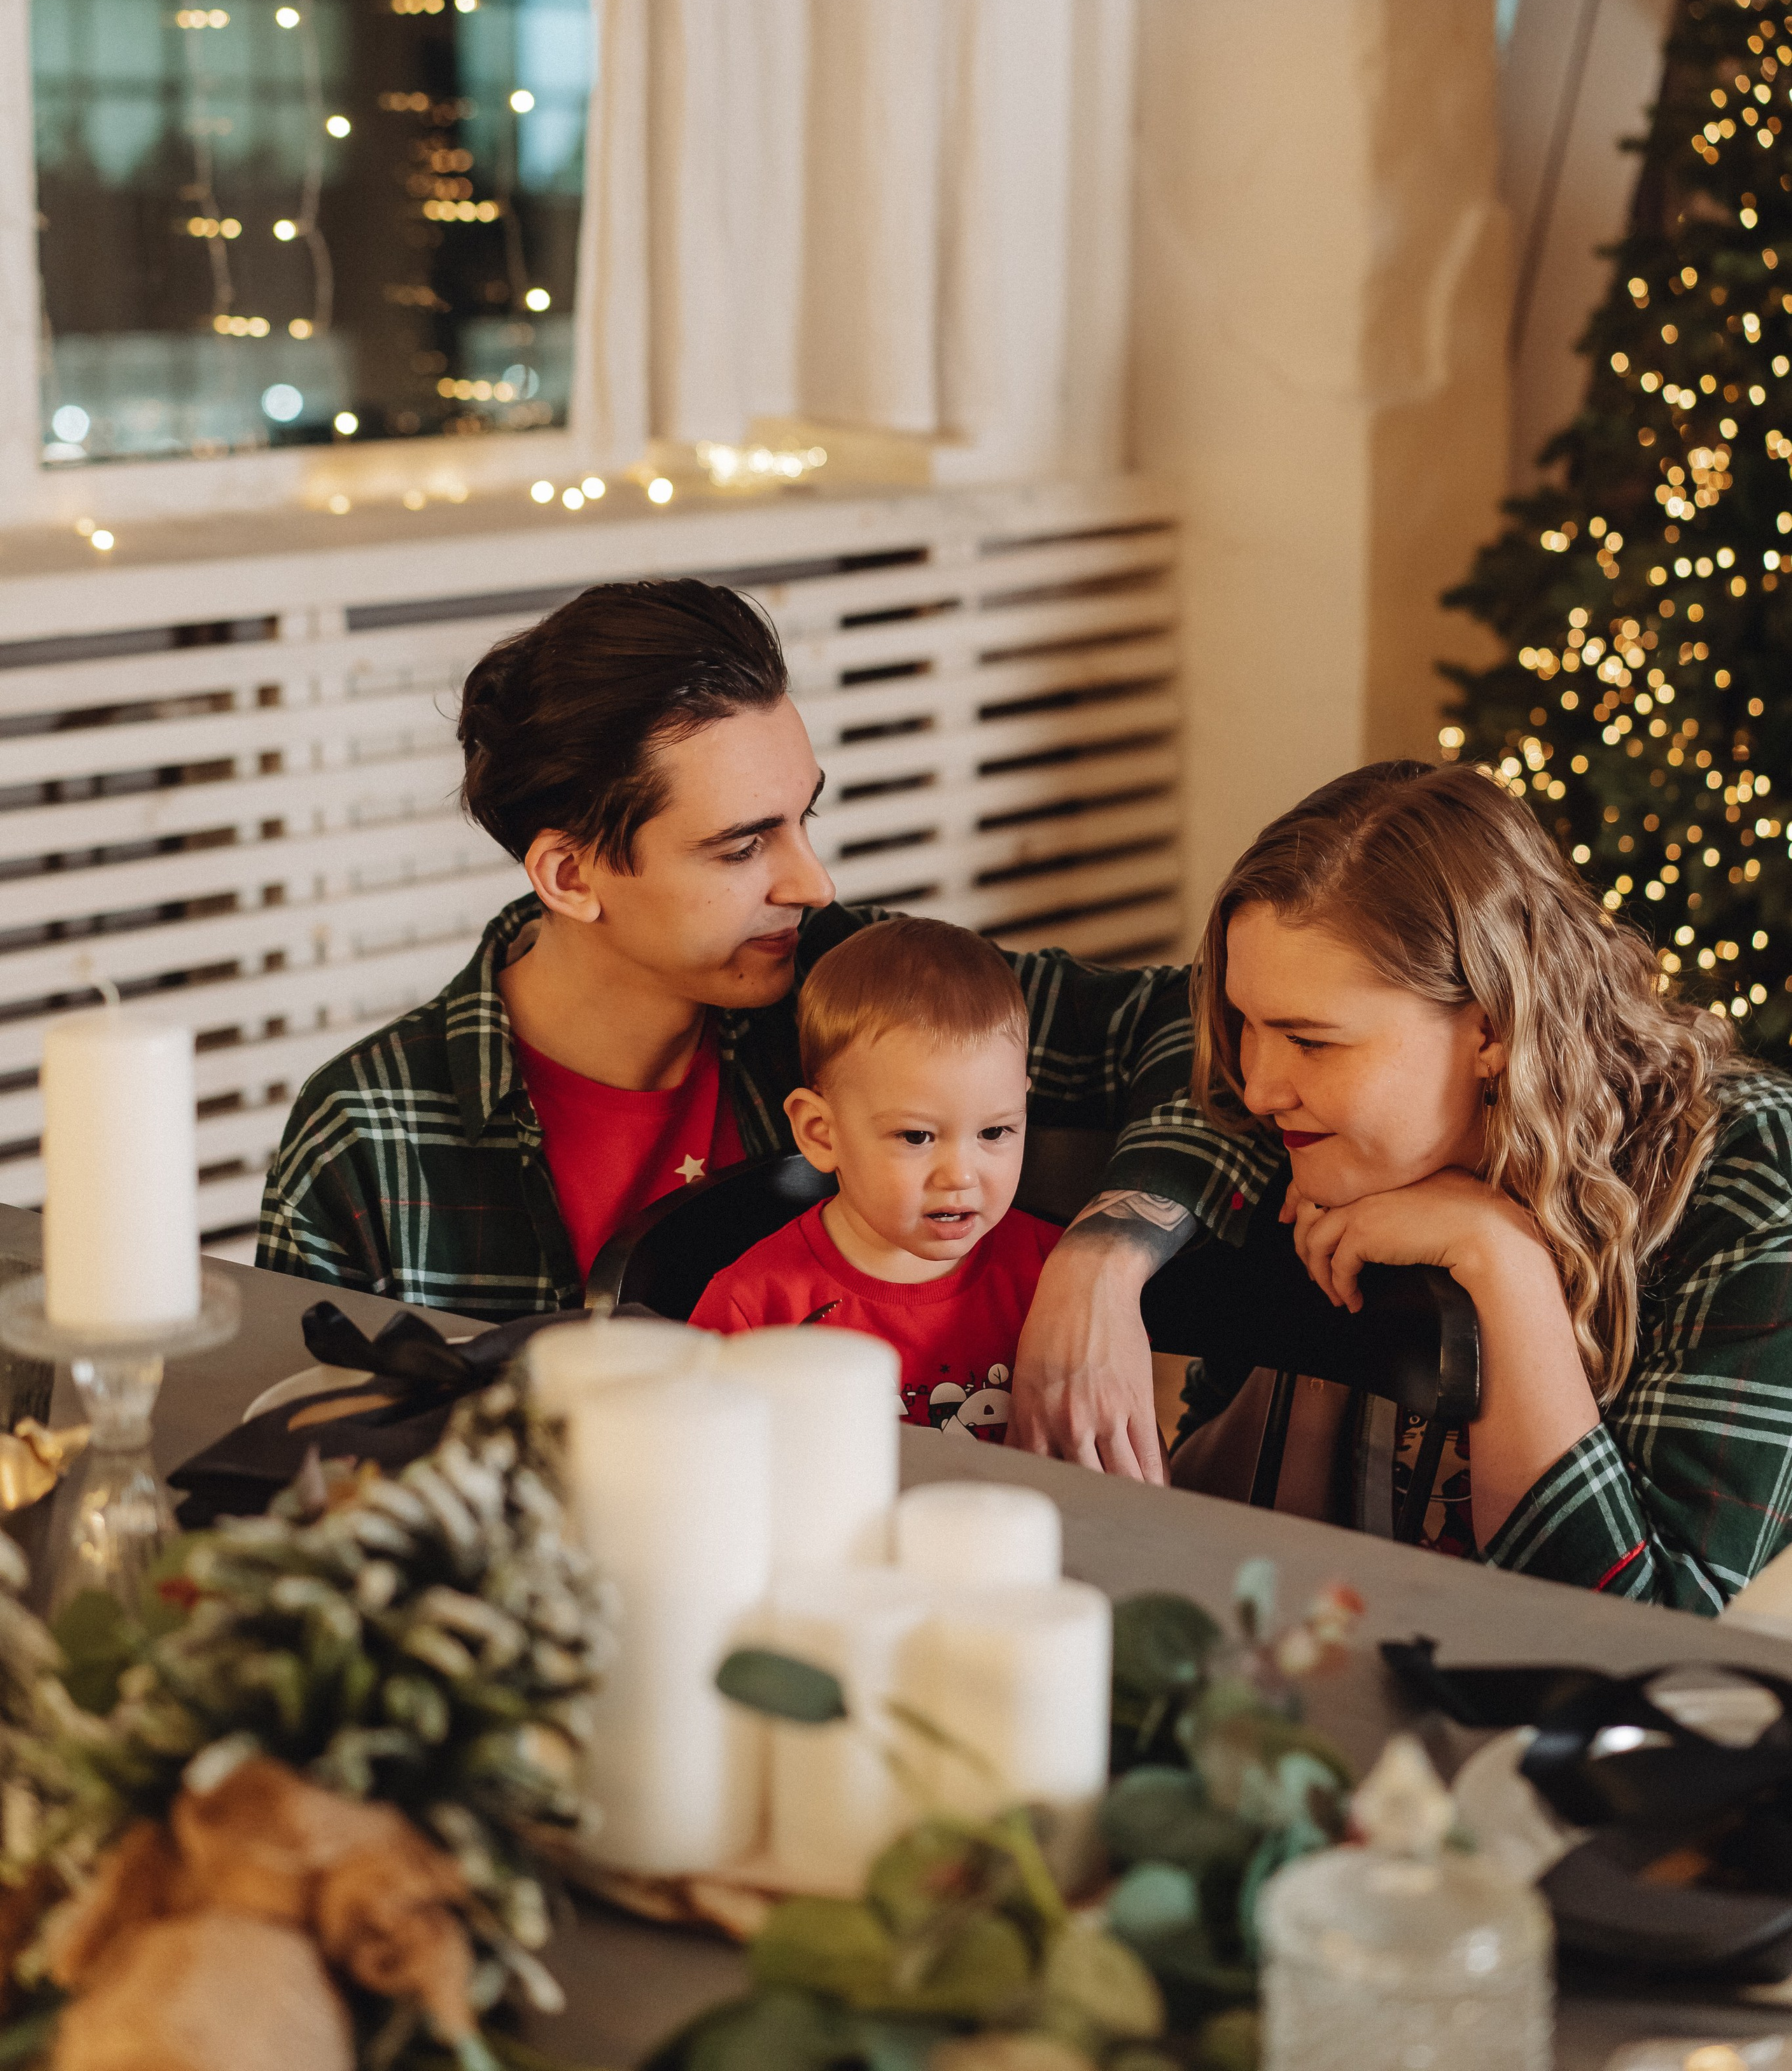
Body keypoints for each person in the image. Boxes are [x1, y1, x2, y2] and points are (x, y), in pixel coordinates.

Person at [255, 577, 1212, 1485]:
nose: (813, 883)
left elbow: (1198, 1021)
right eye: (744, 845)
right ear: (572, 876)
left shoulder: (855, 994)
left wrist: (1105, 1258)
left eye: (805, 817)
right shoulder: (369, 1140)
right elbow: (308, 1491)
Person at [1160, 757, 1792, 1612]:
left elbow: (1646, 1635)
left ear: (1489, 1030)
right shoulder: (1340, 1138)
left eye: (1311, 1041)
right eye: (1245, 1022)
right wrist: (1327, 1337)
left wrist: (1503, 1261)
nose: (1259, 1085)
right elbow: (1197, 1524)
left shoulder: (1750, 1181)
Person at [690, 918, 1061, 1438]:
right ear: (822, 1134)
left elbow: (1128, 1477)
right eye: (916, 1138)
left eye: (996, 1131)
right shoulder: (756, 1307)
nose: (960, 1175)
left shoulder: (1060, 1279)